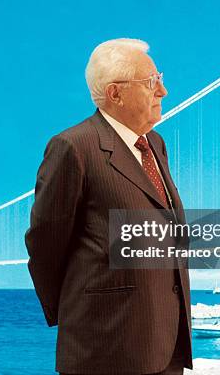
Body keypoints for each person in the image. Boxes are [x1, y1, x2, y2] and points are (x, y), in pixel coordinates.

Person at [25, 38, 192, 375]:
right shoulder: (73, 147)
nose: (164, 91)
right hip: (106, 348)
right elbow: (45, 245)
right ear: (116, 94)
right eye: (152, 82)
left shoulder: (155, 145)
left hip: (166, 344)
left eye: (160, 78)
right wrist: (81, 311)